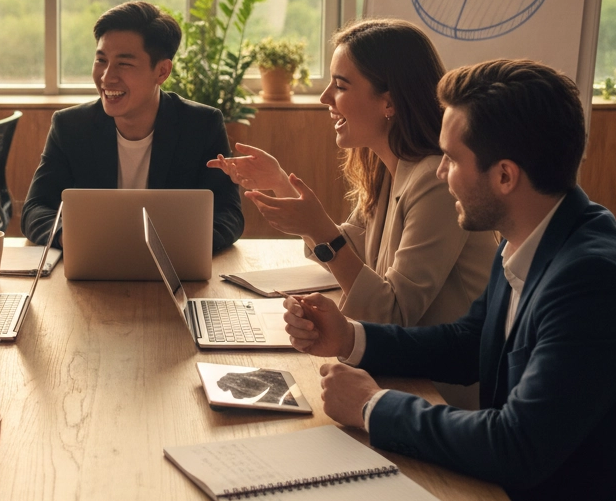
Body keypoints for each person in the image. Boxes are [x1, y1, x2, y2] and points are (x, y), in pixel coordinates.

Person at [283, 59, 616, 501]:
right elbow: (472, 342)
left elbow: (517, 443)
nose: (439, 173)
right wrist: (352, 338)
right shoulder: (531, 231)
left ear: (505, 176)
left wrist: (372, 407)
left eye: (452, 159)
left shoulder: (591, 277)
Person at [210, 19, 495, 330]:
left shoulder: (437, 181)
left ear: (389, 101)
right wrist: (280, 184)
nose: (325, 98)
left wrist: (321, 231)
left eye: (341, 86)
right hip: (402, 364)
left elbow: (392, 315)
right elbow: (352, 255)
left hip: (439, 375)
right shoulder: (387, 169)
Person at [21, 0, 244, 250]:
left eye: (124, 64)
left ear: (162, 72)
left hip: (175, 269)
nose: (107, 77)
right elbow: (35, 209)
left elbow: (228, 216)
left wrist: (176, 247)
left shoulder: (201, 126)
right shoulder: (71, 127)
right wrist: (69, 237)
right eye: (101, 60)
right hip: (93, 267)